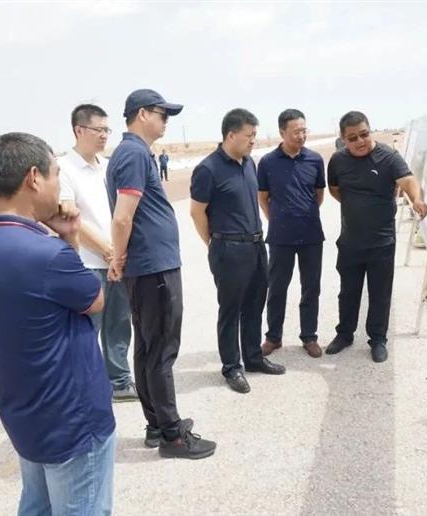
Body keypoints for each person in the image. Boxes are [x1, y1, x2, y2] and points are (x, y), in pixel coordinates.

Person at [0, 132, 115, 514]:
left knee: (36, 505)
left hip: (27, 412)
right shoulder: (45, 254)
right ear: (33, 178)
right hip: (72, 418)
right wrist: (71, 240)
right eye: (55, 175)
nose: (59, 187)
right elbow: (95, 301)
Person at [107, 88, 215, 460]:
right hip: (153, 267)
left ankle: (156, 423)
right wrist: (118, 257)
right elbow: (122, 217)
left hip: (148, 266)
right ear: (141, 114)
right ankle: (173, 435)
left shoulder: (132, 153)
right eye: (162, 114)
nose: (166, 121)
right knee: (161, 351)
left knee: (148, 347)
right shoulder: (134, 154)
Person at [190, 108, 286, 394]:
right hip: (228, 248)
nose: (253, 140)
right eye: (249, 135)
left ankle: (253, 358)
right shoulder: (208, 169)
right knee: (231, 310)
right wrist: (213, 243)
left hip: (255, 245)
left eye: (255, 135)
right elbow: (197, 212)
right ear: (231, 135)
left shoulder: (248, 163)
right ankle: (232, 367)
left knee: (255, 304)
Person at [326, 111, 427, 363]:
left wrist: (416, 199)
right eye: (352, 138)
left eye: (364, 134)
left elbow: (408, 179)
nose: (360, 141)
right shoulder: (338, 160)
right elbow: (335, 189)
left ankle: (378, 339)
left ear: (370, 130)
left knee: (380, 293)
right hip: (350, 242)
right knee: (348, 292)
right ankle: (344, 334)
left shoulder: (388, 157)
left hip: (381, 242)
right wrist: (356, 208)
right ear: (343, 139)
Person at [59, 104, 138, 402]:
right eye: (98, 129)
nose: (105, 135)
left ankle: (119, 381)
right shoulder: (63, 169)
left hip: (116, 261)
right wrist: (107, 250)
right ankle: (84, 388)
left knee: (119, 325)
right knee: (86, 331)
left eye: (107, 129)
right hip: (87, 264)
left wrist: (118, 253)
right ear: (79, 130)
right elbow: (70, 219)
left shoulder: (108, 166)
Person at [258, 109, 325, 358]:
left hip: (311, 235)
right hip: (280, 237)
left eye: (304, 131)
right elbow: (263, 198)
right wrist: (276, 220)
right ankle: (273, 337)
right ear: (282, 132)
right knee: (277, 288)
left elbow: (319, 195)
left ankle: (309, 336)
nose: (301, 136)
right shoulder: (267, 162)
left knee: (311, 287)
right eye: (296, 131)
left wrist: (304, 214)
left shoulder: (315, 160)